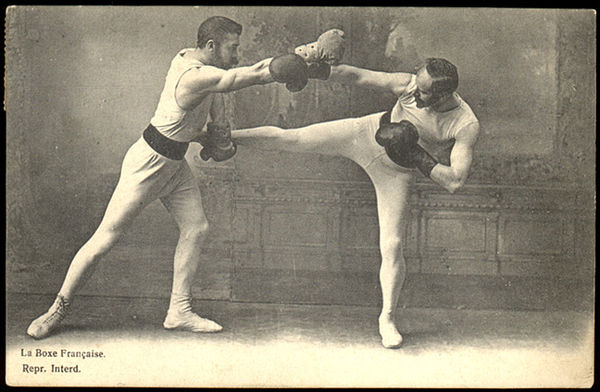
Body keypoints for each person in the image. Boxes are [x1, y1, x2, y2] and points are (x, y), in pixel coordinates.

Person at [26, 16, 309, 339]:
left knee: (196, 227)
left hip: (174, 164)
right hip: (148, 163)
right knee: (106, 238)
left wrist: (215, 135)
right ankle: (56, 310)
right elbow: (243, 77)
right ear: (211, 47)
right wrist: (301, 61)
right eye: (233, 48)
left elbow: (213, 99)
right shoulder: (192, 76)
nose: (237, 54)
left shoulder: (194, 57)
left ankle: (179, 310)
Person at [232, 56, 480, 349]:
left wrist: (416, 156)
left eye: (424, 92)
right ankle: (223, 138)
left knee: (393, 245)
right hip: (367, 133)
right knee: (295, 138)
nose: (415, 93)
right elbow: (357, 74)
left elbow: (454, 180)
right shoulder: (409, 84)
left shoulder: (465, 123)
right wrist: (312, 70)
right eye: (417, 83)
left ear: (443, 95)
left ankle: (387, 319)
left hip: (397, 171)